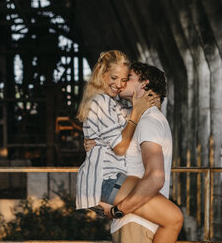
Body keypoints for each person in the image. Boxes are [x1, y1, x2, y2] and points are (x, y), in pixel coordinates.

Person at [78, 58, 183, 243]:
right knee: (174, 218)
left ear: (145, 83)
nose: (122, 83)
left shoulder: (148, 121)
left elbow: (154, 177)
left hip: (137, 220)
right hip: (136, 221)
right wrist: (91, 142)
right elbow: (108, 135)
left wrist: (117, 211)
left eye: (129, 78)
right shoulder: (138, 120)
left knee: (175, 218)